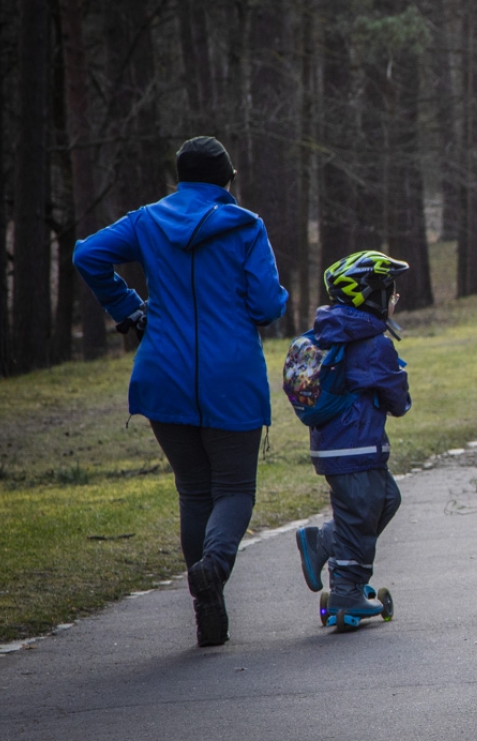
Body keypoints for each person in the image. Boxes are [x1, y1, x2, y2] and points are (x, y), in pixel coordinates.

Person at [72, 136, 288, 647]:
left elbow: (88, 254)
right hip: (230, 374)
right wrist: (270, 294)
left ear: (181, 179)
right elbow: (267, 306)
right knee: (234, 489)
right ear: (227, 181)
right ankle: (213, 566)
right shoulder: (247, 226)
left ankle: (205, 604)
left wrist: (128, 308)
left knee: (193, 491)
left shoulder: (146, 221)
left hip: (163, 372)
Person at [293, 250, 411, 631]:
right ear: (371, 296)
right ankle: (346, 591)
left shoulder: (335, 332)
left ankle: (326, 543)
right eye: (390, 292)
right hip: (355, 447)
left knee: (385, 500)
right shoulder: (373, 343)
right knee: (361, 516)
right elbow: (399, 400)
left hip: (339, 447)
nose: (394, 300)